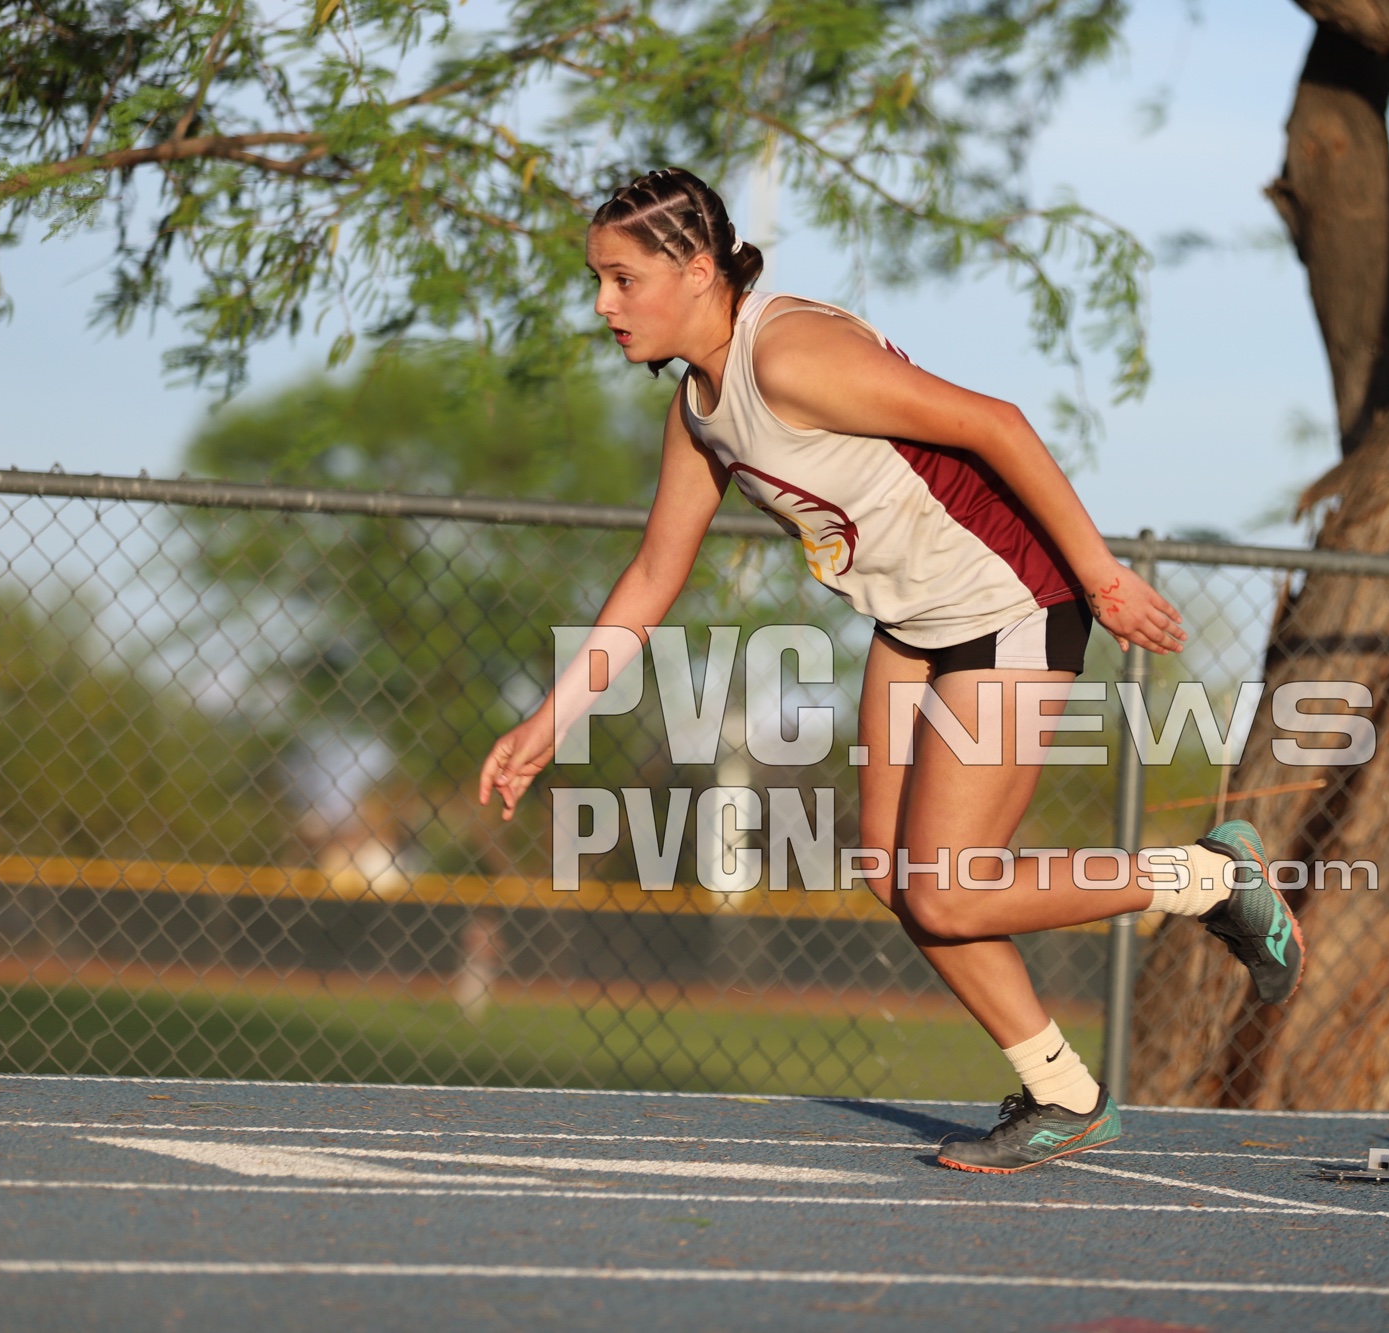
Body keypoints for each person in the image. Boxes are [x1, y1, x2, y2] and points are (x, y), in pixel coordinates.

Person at [477, 167, 1304, 1172]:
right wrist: (550, 720)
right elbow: (654, 575)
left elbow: (995, 422)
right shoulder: (701, 408)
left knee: (947, 891)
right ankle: (1062, 1094)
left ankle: (1209, 878)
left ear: (695, 270)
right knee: (893, 873)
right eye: (597, 282)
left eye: (621, 279)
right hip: (917, 626)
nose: (604, 306)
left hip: (1011, 601)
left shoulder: (789, 354)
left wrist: (1102, 577)